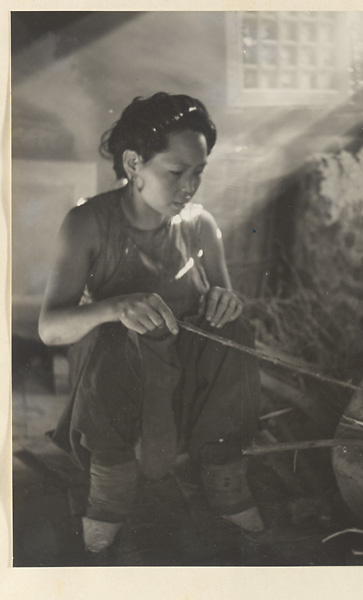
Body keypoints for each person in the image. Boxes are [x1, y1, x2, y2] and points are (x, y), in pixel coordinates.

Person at [38, 92, 265, 555]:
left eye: (199, 172)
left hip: (184, 374)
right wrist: (113, 307)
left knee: (235, 333)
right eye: (176, 172)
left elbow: (227, 301)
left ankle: (225, 478)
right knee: (114, 334)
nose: (190, 187)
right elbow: (49, 328)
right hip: (120, 378)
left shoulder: (200, 226)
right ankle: (109, 493)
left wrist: (227, 303)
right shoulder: (87, 222)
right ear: (134, 163)